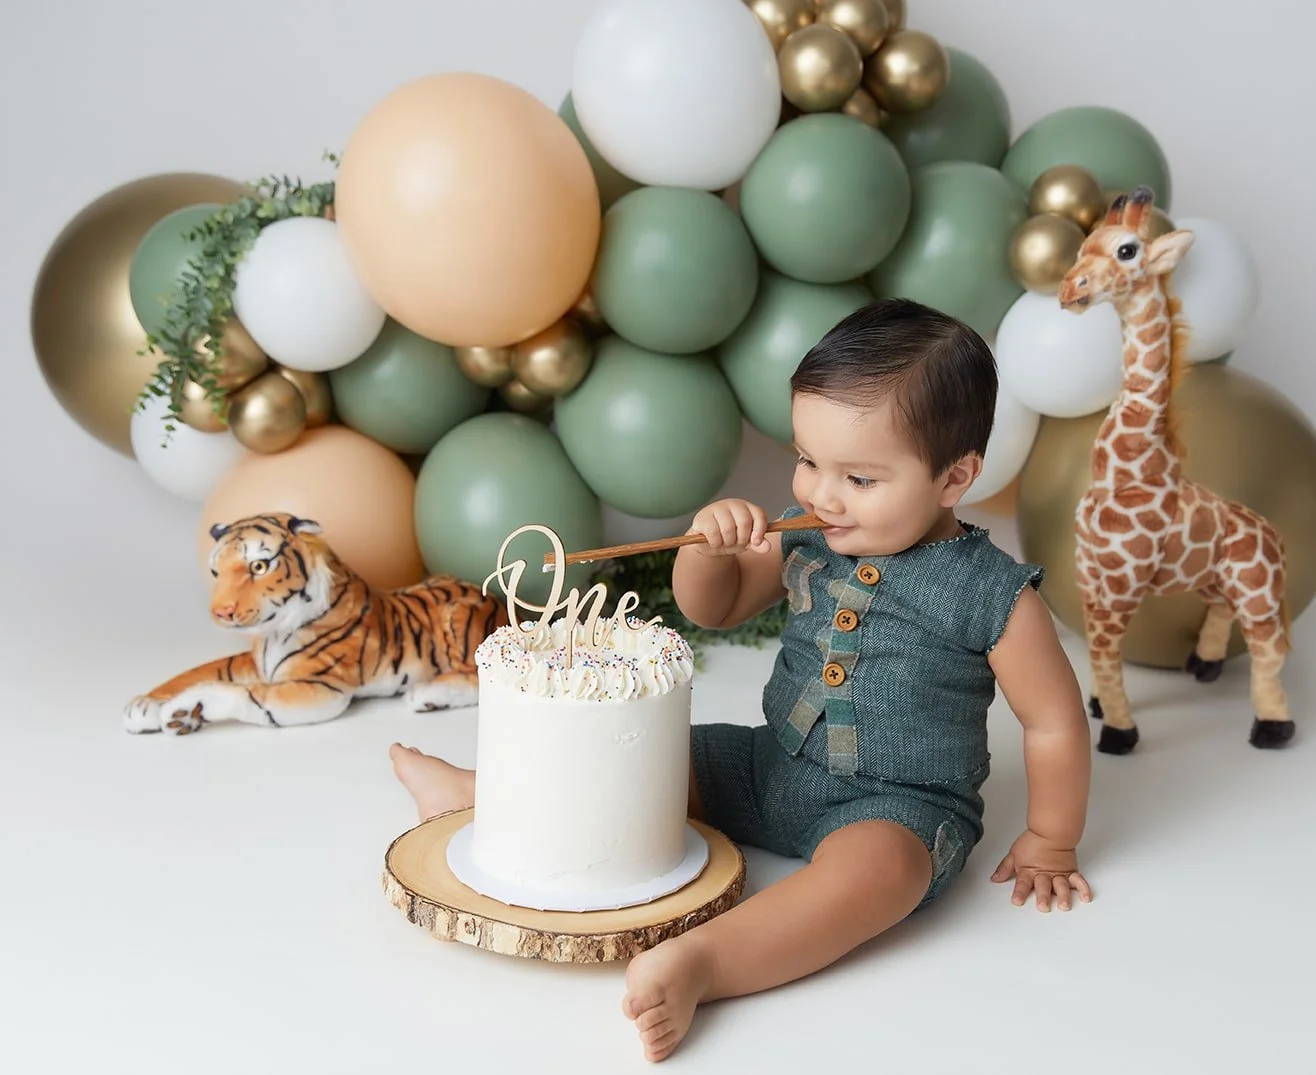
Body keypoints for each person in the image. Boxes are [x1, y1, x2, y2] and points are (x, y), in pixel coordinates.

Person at [389, 298, 1094, 1063]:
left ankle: (706, 962)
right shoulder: (809, 533)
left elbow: (1053, 720)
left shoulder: (990, 592)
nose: (822, 494)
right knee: (643, 762)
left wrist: (1050, 840)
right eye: (807, 459)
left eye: (857, 476)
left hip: (897, 807)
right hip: (768, 765)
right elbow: (714, 608)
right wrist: (708, 549)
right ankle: (474, 796)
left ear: (955, 477)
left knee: (876, 877)